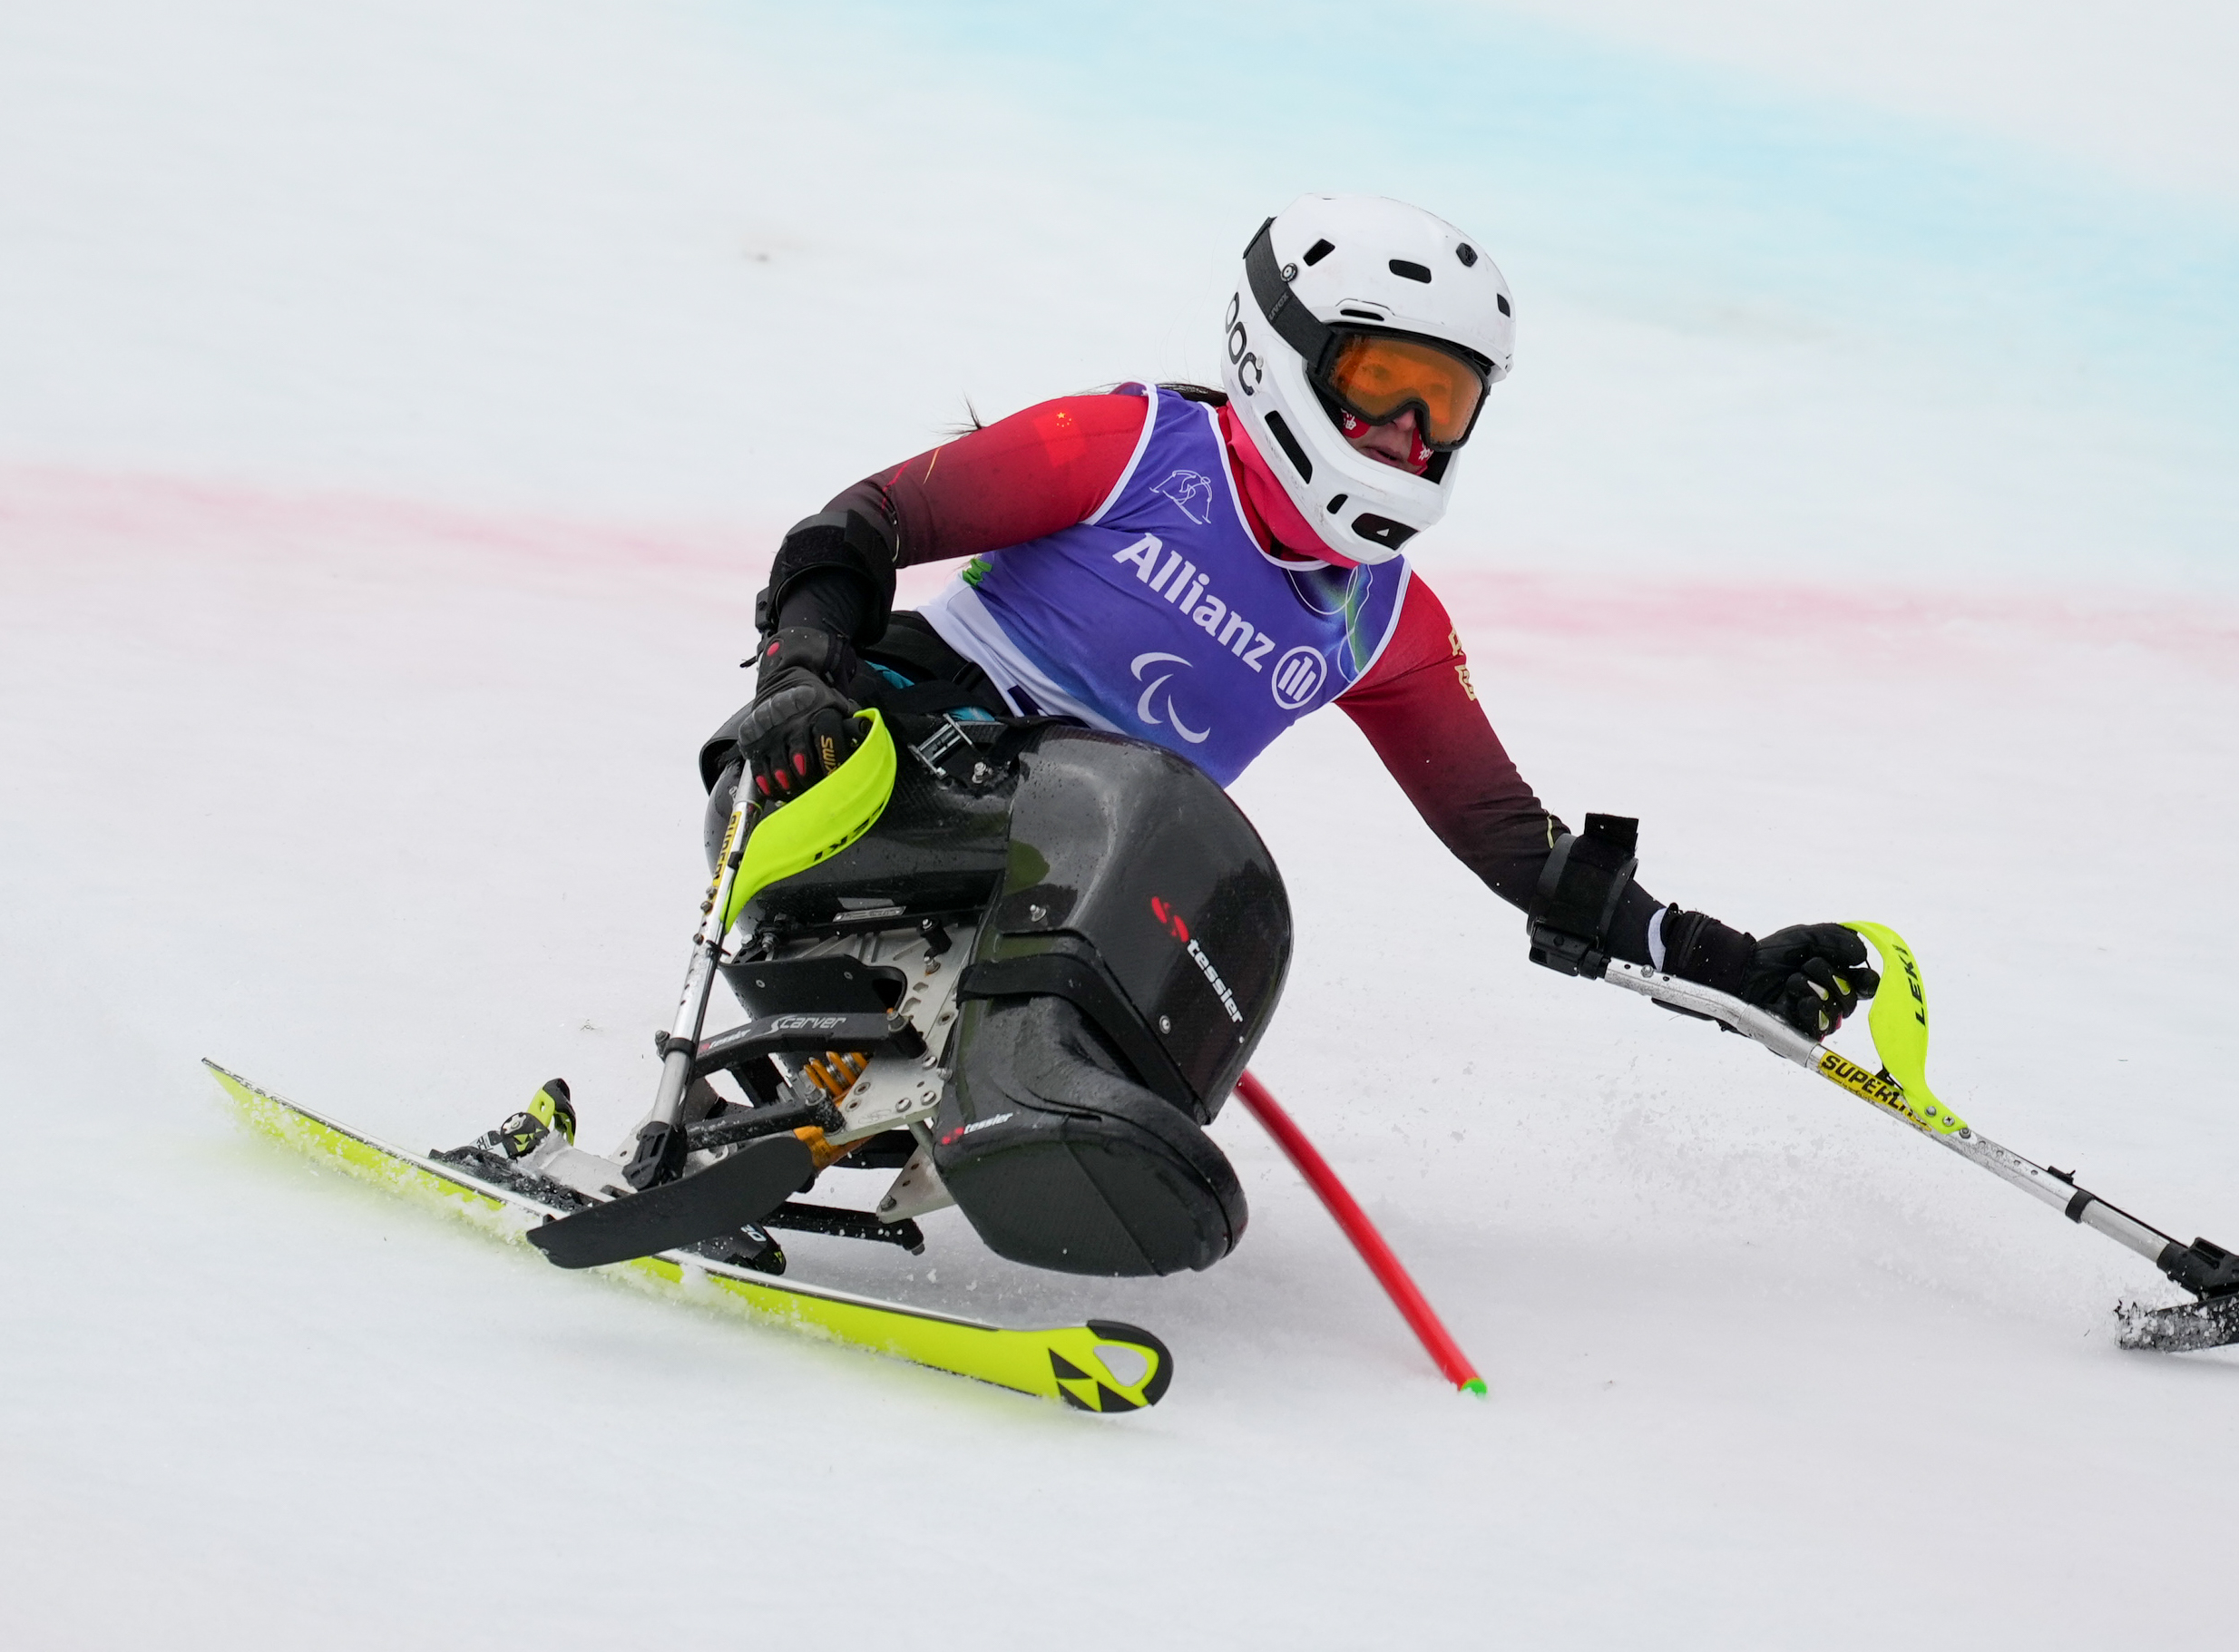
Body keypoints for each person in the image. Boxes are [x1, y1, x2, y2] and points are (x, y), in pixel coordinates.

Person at [709, 194, 1877, 1058]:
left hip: (1054, 885)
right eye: (1381, 383)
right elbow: (857, 526)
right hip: (853, 786)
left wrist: (1734, 967)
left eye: (1445, 403)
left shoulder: (1388, 622)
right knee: (1158, 811)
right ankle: (1025, 1087)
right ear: (1283, 356)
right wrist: (799, 671)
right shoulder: (1131, 449)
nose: (1409, 433)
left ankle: (1030, 1116)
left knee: (1235, 900)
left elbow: (1517, 847)